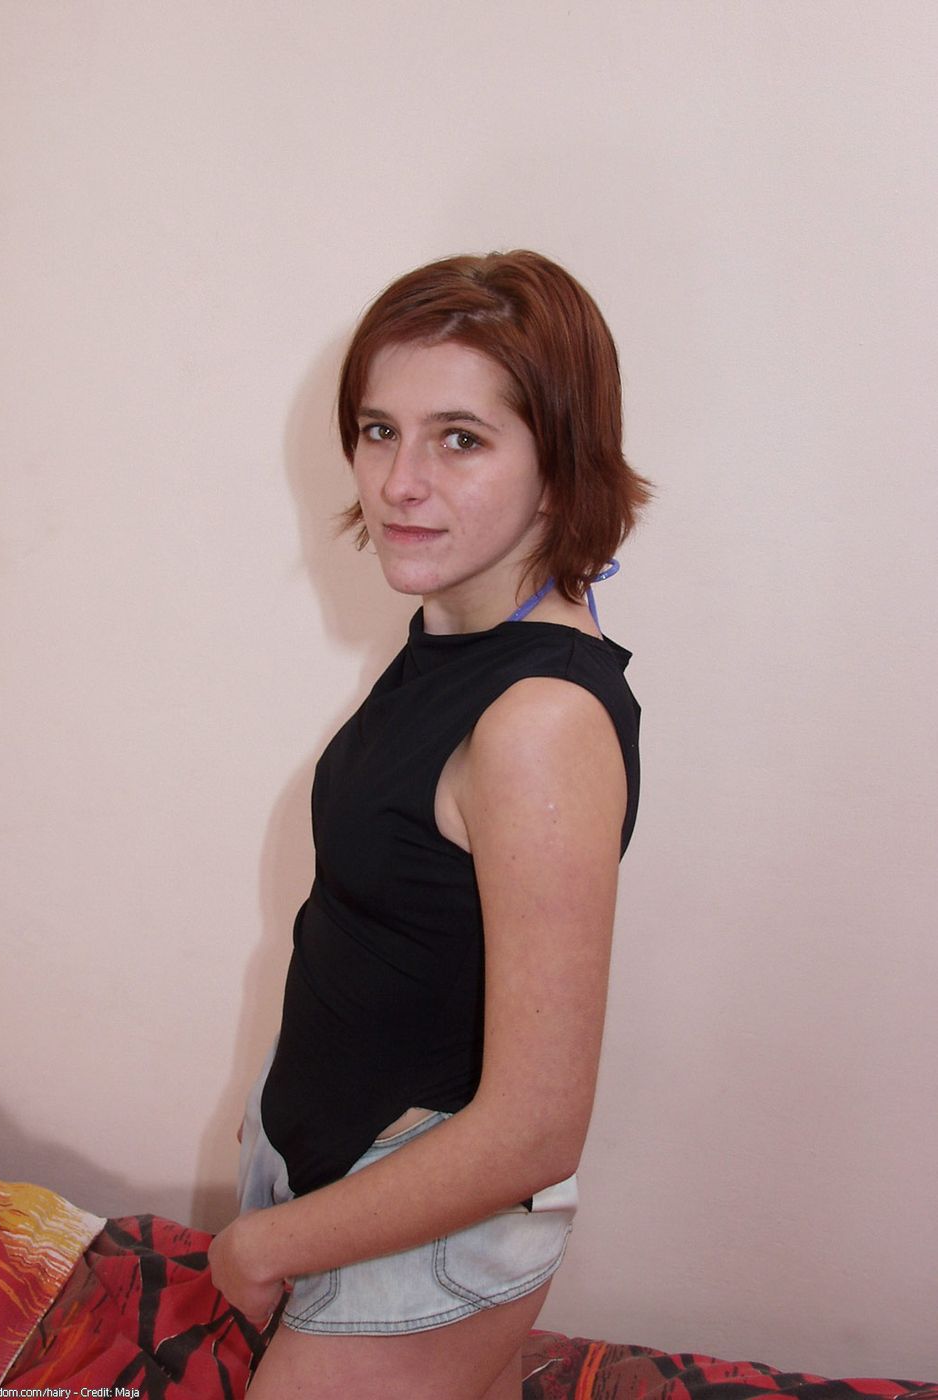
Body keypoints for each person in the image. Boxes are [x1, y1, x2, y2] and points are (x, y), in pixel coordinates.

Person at [208, 250, 650, 1399]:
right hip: (341, 1182)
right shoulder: (455, 636)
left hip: (417, 1234)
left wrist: (260, 1244)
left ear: (559, 463)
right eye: (378, 429)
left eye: (460, 437)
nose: (399, 481)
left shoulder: (538, 722)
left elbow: (535, 1130)